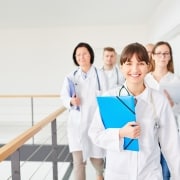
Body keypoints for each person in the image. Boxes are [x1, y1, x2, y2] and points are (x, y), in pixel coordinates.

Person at [88, 42, 180, 180]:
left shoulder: (159, 100)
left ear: (148, 66)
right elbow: (95, 134)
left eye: (141, 63)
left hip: (150, 173)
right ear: (121, 67)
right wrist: (120, 133)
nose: (135, 69)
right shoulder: (110, 97)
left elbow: (171, 145)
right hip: (118, 174)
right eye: (129, 63)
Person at [60, 42, 107, 180]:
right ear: (75, 57)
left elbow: (106, 97)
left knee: (98, 161)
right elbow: (63, 96)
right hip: (77, 125)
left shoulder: (100, 75)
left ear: (90, 55)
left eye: (84, 54)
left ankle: (100, 175)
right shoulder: (70, 76)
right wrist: (71, 101)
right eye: (78, 55)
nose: (81, 57)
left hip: (95, 122)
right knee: (78, 163)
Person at [145, 41, 180, 180]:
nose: (162, 57)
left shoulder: (176, 81)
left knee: (166, 172)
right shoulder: (145, 80)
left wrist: (172, 105)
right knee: (150, 171)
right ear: (152, 56)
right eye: (159, 53)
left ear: (170, 57)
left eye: (166, 53)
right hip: (148, 131)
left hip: (169, 130)